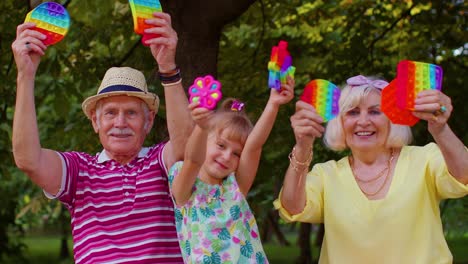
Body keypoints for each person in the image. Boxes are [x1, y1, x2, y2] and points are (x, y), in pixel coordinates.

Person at [11, 12, 193, 263]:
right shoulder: (79, 171)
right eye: (110, 113)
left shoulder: (159, 161)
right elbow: (27, 160)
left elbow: (187, 149)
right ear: (95, 121)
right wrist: (25, 76)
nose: (120, 123)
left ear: (148, 121)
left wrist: (168, 69)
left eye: (131, 113)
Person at [274, 75, 468, 263]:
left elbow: (464, 175)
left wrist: (440, 129)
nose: (363, 121)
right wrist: (302, 146)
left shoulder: (423, 158)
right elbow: (292, 206)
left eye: (375, 111)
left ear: (392, 119)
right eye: (352, 112)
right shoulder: (326, 174)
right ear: (340, 122)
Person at [167, 77, 295, 263]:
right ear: (205, 140)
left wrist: (273, 104)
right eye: (220, 145)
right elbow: (193, 160)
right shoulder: (184, 184)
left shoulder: (235, 186)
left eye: (236, 153)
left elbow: (254, 146)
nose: (227, 156)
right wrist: (202, 127)